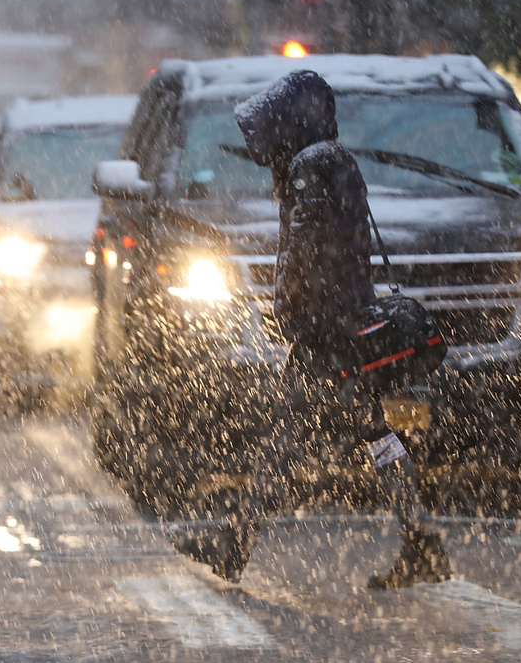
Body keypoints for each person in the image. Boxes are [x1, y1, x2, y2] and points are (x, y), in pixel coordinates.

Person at [173, 70, 452, 590]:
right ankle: (422, 542)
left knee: (283, 440)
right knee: (376, 435)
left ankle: (238, 544)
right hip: (348, 322)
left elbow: (303, 253)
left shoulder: (309, 165)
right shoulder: (333, 159)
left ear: (290, 120)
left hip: (326, 333)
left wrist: (293, 314)